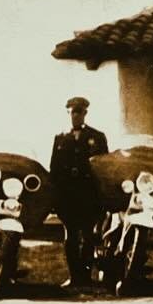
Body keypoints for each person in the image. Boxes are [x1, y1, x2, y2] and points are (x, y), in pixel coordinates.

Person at [50, 96, 110, 288]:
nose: (75, 116)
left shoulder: (97, 137)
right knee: (71, 237)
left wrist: (102, 195)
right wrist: (55, 197)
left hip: (89, 195)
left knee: (89, 235)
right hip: (68, 196)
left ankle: (86, 276)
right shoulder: (60, 138)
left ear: (85, 114)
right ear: (67, 113)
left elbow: (103, 167)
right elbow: (55, 169)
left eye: (79, 112)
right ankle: (75, 276)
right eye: (72, 113)